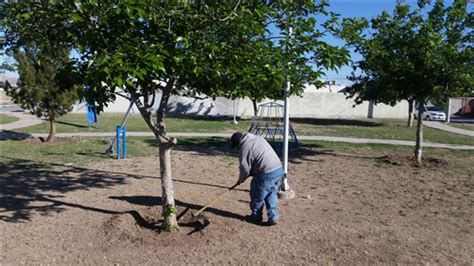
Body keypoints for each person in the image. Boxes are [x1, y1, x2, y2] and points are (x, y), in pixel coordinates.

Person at [230, 131, 284, 225]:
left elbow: (245, 169)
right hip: (279, 170)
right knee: (271, 193)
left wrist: (240, 180)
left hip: (266, 173)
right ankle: (273, 216)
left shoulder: (245, 148)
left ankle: (256, 216)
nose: (237, 148)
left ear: (238, 143)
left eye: (236, 146)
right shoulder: (258, 138)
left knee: (257, 194)